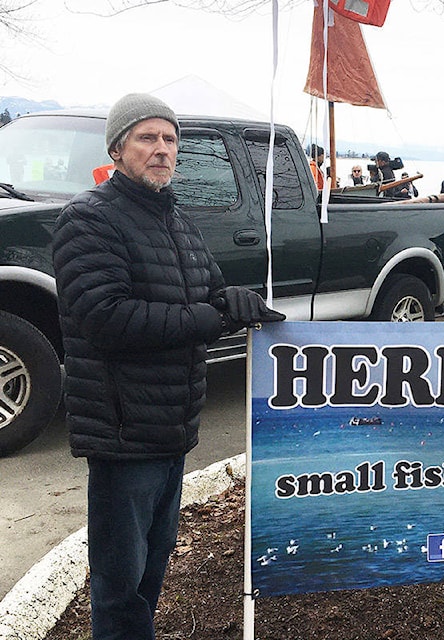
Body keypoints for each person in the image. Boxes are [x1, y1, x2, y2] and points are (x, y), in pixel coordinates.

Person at [51, 93, 285, 640]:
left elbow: (206, 290)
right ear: (117, 148)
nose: (162, 149)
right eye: (147, 138)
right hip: (124, 431)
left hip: (172, 427)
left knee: (152, 567)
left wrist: (234, 300)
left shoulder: (176, 219)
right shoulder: (89, 219)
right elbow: (105, 318)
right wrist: (209, 317)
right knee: (119, 580)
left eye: (170, 139)